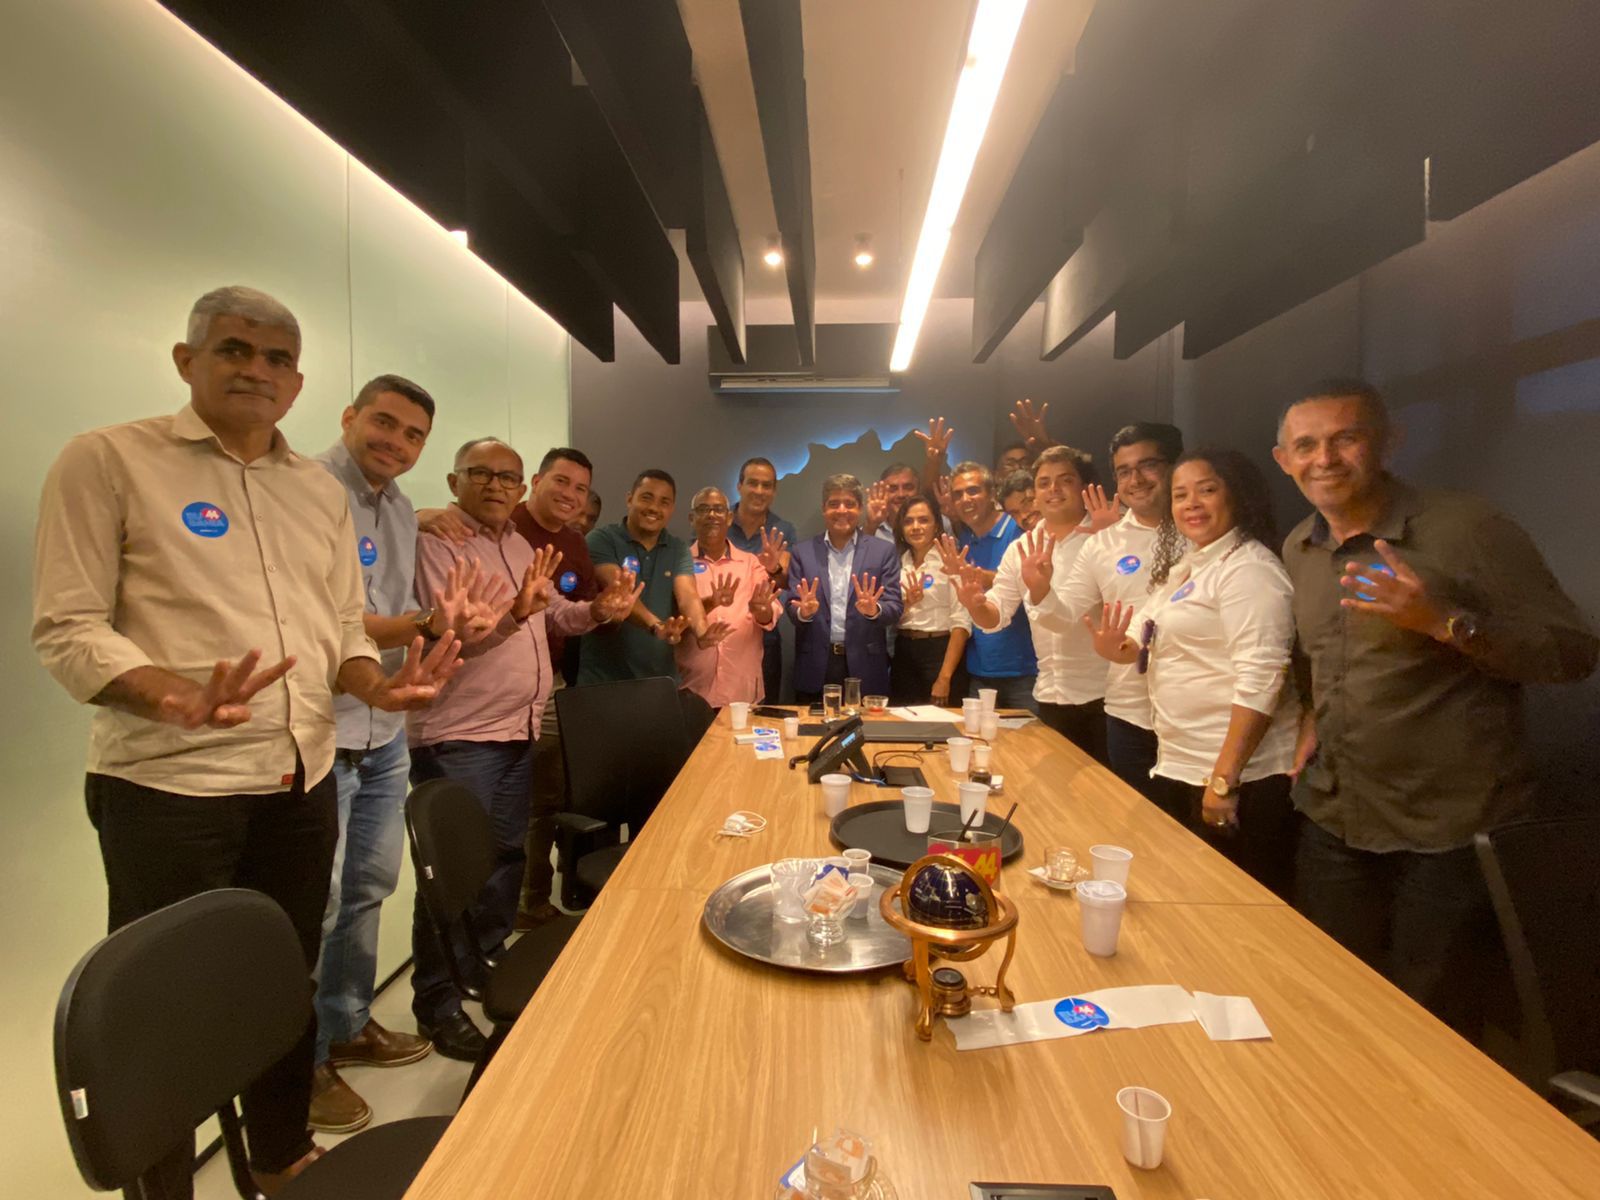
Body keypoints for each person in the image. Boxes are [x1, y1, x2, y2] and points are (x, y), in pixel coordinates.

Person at [31, 286, 461, 1197]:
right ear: (187, 361)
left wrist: (374, 683)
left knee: (280, 978)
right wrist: (168, 691)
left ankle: (279, 1150)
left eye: (276, 359)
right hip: (169, 787)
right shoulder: (107, 460)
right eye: (233, 350)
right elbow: (66, 628)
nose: (255, 371)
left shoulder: (314, 490)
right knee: (163, 1006)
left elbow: (339, 622)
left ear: (297, 385)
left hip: (298, 776)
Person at [1273, 378, 1597, 1029]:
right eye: (1305, 445)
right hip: (1336, 815)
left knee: (1428, 1027)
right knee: (1330, 1001)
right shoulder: (1299, 547)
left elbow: (1573, 653)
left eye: (1345, 438)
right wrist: (1309, 720)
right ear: (1284, 460)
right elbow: (1317, 660)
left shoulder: (1465, 529)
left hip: (1444, 831)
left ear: (1388, 442)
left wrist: (1444, 622)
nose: (1324, 459)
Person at [309, 375, 505, 1133]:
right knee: (319, 902)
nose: (396, 441)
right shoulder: (307, 490)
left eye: (412, 433)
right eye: (384, 424)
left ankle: (347, 1021)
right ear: (349, 416)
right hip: (320, 727)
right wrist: (426, 623)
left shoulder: (397, 509)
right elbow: (331, 618)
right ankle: (305, 1064)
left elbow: (387, 609)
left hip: (382, 727)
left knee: (366, 888)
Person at [406, 438, 637, 1059]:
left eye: (506, 477)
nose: (496, 486)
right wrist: (514, 612)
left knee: (504, 858)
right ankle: (437, 1002)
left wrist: (597, 610)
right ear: (454, 481)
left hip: (517, 729)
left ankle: (484, 961)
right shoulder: (439, 543)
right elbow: (456, 637)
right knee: (452, 876)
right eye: (483, 474)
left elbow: (554, 615)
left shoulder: (518, 546)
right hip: (461, 734)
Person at [1086, 450, 1300, 898]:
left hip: (1240, 779)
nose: (1191, 504)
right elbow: (1141, 634)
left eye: (1207, 490)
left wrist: (1224, 779)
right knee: (1190, 898)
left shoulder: (1251, 569)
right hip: (1186, 762)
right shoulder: (1190, 566)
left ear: (1237, 495)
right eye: (1181, 495)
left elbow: (1262, 679)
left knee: (1234, 908)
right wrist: (1115, 647)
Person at [1029, 422, 1184, 795]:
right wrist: (1040, 590)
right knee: (1124, 816)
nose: (1136, 480)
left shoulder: (1200, 533)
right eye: (1124, 471)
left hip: (1195, 716)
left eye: (1148, 465)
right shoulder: (1103, 543)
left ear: (1175, 467)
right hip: (1128, 712)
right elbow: (1064, 615)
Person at [958, 446, 1110, 762]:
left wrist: (1042, 592)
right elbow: (996, 614)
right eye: (1044, 483)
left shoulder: (1105, 539)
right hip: (1049, 693)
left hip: (1104, 696)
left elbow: (1067, 617)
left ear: (1083, 487)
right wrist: (976, 606)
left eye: (1065, 480)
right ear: (1034, 495)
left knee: (1106, 789)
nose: (1053, 489)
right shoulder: (1021, 548)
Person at [582, 469, 728, 684]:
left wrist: (702, 632)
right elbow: (622, 592)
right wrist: (656, 626)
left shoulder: (678, 549)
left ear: (672, 509)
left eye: (664, 502)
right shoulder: (601, 539)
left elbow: (688, 596)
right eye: (646, 498)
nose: (654, 508)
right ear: (629, 499)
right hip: (603, 681)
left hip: (660, 681)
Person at [786, 473, 902, 704]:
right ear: (823, 509)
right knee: (812, 726)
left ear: (860, 508)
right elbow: (791, 606)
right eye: (833, 504)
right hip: (816, 664)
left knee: (865, 726)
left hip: (866, 665)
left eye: (849, 503)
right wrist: (803, 612)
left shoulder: (883, 551)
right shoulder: (802, 552)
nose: (841, 510)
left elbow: (895, 607)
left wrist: (874, 610)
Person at [943, 461, 1038, 711]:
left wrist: (984, 578)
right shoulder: (964, 539)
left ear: (992, 493)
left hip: (1026, 670)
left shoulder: (1020, 528)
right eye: (958, 494)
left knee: (1033, 736)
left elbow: (1034, 584)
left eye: (973, 490)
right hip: (981, 670)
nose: (965, 499)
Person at [676, 487, 782, 706]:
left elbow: (769, 612)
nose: (712, 515)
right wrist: (709, 604)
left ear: (729, 517)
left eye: (718, 509)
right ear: (691, 518)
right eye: (703, 509)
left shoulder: (750, 563)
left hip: (741, 692)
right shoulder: (678, 562)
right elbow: (672, 618)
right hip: (692, 690)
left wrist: (761, 610)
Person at [728, 456, 797, 702]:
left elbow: (785, 583)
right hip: (722, 636)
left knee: (764, 714)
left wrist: (774, 568)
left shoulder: (783, 529)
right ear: (739, 486)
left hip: (766, 638)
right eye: (753, 483)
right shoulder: (718, 522)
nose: (759, 491)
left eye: (766, 485)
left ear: (774, 491)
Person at [890, 495, 970, 705]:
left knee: (942, 720)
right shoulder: (901, 561)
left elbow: (961, 623)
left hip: (940, 651)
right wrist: (908, 603)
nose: (916, 527)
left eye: (924, 520)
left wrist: (944, 677)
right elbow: (894, 617)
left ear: (936, 525)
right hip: (904, 650)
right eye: (908, 521)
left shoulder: (950, 560)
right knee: (902, 717)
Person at [864, 461, 921, 542]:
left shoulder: (934, 526)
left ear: (918, 491)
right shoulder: (870, 530)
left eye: (908, 487)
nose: (901, 495)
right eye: (893, 489)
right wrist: (871, 525)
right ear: (882, 493)